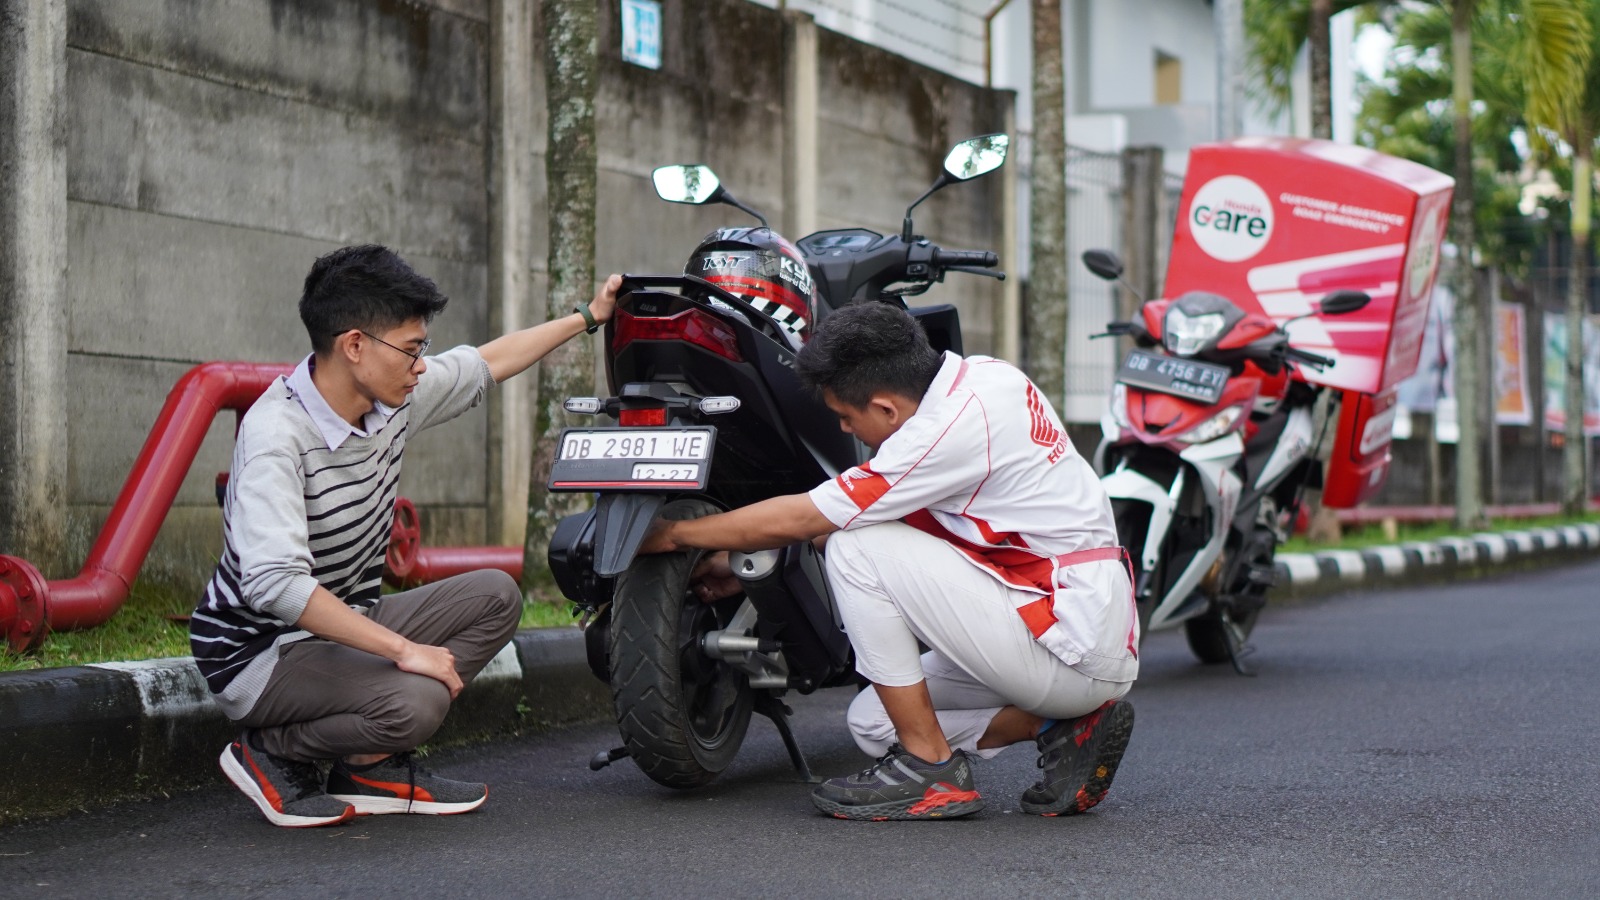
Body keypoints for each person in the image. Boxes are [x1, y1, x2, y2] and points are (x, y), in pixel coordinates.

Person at [642, 301, 1138, 821]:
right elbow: (849, 521)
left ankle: (930, 770)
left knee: (855, 547)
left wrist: (675, 535)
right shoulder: (987, 378)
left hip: (1066, 641)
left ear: (885, 408)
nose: (846, 429)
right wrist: (741, 568)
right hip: (1067, 624)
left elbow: (811, 517)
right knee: (876, 720)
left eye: (845, 416)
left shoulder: (948, 430)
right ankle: (1063, 729)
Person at [191, 244, 620, 828]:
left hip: (338, 626)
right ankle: (273, 751)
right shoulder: (276, 436)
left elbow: (487, 362)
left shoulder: (390, 400)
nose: (422, 365)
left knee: (496, 596)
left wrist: (588, 316)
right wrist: (403, 651)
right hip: (258, 655)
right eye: (413, 349)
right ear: (355, 345)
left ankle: (368, 767)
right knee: (417, 702)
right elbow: (277, 587)